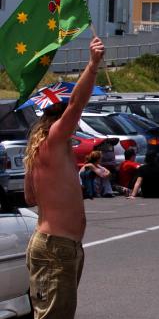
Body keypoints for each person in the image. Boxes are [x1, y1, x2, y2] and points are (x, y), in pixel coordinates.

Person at [23, 37, 104, 318]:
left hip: (61, 246)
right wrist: (92, 65)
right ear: (57, 118)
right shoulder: (55, 139)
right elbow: (77, 104)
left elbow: (31, 197)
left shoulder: (45, 149)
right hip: (55, 247)